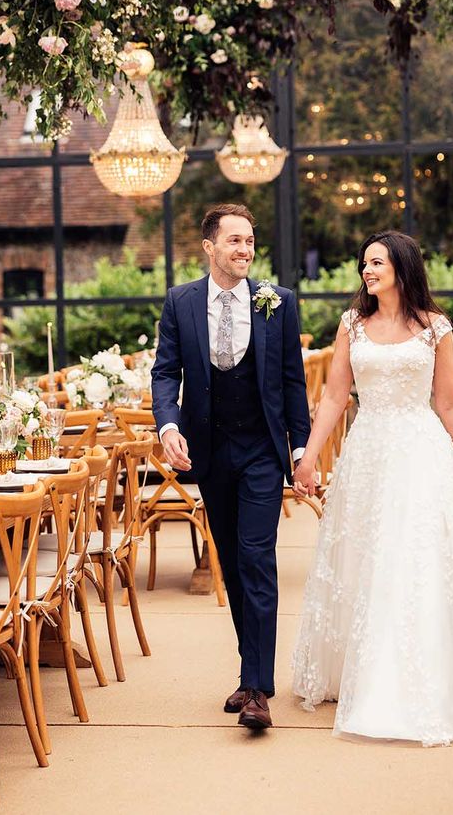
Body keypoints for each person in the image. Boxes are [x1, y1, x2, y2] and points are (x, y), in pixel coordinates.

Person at [291, 230, 453, 745]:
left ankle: (411, 674)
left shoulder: (435, 328)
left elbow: (451, 403)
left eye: (377, 263)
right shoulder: (352, 324)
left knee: (412, 558)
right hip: (367, 452)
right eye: (364, 263)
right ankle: (356, 667)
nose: (367, 271)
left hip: (420, 454)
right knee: (364, 556)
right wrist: (309, 456)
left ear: (402, 267)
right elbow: (333, 398)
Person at [152, 203, 310, 731]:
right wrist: (168, 427)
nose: (246, 249)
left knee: (255, 558)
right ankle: (250, 676)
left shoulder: (277, 302)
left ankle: (259, 690)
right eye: (235, 241)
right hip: (210, 452)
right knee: (232, 564)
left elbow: (292, 381)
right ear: (210, 248)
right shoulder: (181, 302)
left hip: (262, 450)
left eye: (250, 240)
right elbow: (164, 373)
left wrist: (299, 449)